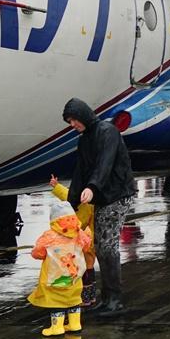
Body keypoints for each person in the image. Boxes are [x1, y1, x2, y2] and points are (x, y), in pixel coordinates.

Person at [62, 98, 134, 317]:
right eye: (69, 122)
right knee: (101, 245)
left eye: (73, 119)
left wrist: (93, 187)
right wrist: (71, 202)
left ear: (83, 115)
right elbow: (80, 171)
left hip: (117, 194)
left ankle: (114, 300)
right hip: (103, 197)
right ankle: (108, 298)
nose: (72, 124)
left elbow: (106, 162)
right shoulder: (84, 141)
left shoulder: (107, 131)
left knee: (107, 245)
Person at [28, 200, 93, 337]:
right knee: (74, 300)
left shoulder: (49, 236)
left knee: (56, 302)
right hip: (75, 277)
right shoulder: (79, 233)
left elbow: (38, 252)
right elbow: (87, 246)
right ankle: (75, 324)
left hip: (55, 278)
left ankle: (57, 327)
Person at [48, 175, 96, 306]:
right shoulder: (94, 199)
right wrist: (56, 186)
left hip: (81, 238)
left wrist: (56, 186)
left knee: (83, 270)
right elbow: (66, 194)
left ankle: (85, 298)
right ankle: (91, 296)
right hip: (91, 238)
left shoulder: (78, 198)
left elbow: (67, 195)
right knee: (90, 268)